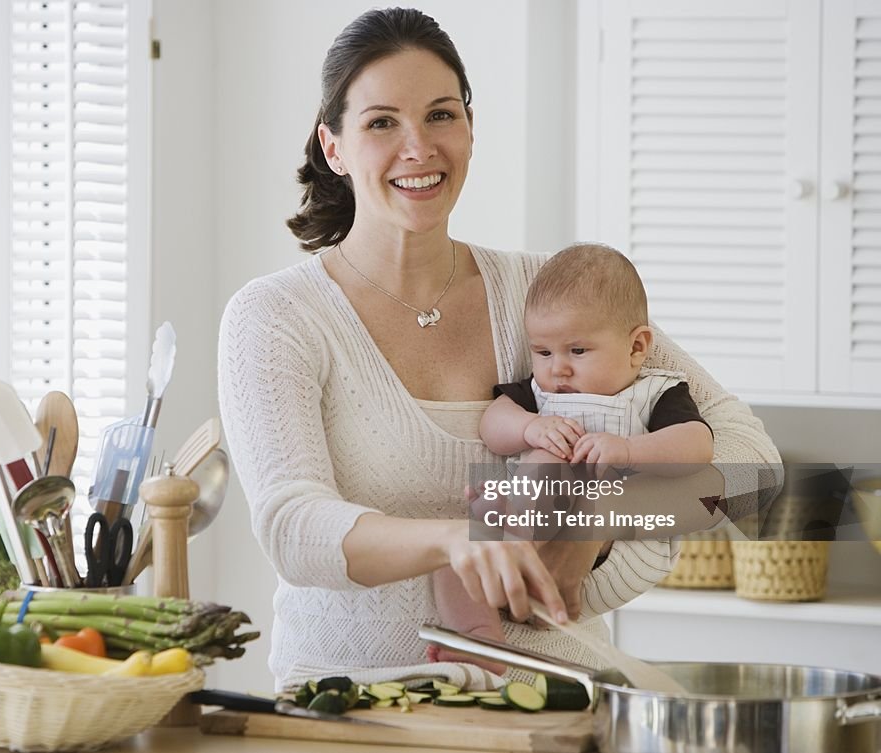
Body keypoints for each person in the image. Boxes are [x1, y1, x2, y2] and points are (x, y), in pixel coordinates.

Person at [217, 7, 781, 691]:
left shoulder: (551, 296)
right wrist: (456, 538)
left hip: (558, 700)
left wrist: (600, 524)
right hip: (356, 708)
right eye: (381, 122)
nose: (419, 147)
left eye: (441, 115)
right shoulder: (276, 316)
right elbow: (293, 528)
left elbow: (757, 472)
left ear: (471, 128)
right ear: (333, 147)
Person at [430, 243, 715, 669]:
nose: (557, 369)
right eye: (543, 352)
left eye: (577, 351)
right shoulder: (540, 393)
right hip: (532, 521)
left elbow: (698, 445)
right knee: (450, 556)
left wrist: (631, 450)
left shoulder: (655, 392)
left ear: (637, 347)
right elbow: (494, 422)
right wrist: (530, 426)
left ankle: (515, 549)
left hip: (619, 538)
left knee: (551, 465)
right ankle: (480, 640)